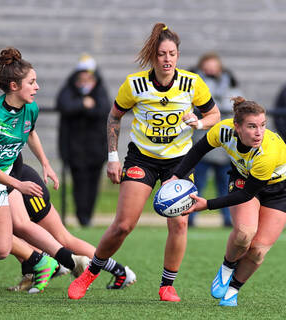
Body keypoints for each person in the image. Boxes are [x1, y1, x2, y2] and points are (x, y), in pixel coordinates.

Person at [67, 22, 220, 302]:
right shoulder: (135, 83)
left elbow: (215, 116)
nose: (167, 59)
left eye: (172, 53)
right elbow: (114, 117)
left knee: (180, 223)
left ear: (178, 55)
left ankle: (167, 286)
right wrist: (113, 157)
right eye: (162, 54)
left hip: (180, 162)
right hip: (142, 158)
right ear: (153, 56)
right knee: (123, 225)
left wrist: (198, 122)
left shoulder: (192, 82)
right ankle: (90, 273)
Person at [171, 96, 286, 307]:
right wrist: (176, 176)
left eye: (262, 125)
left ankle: (233, 289)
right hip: (243, 180)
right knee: (244, 233)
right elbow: (198, 150)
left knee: (258, 250)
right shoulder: (223, 130)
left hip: (279, 190)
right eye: (252, 126)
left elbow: (245, 196)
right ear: (237, 127)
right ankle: (227, 266)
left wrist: (207, 205)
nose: (259, 132)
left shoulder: (267, 153)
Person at [0, 47, 59, 274]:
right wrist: (18, 185)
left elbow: (30, 132)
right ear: (14, 86)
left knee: (0, 248)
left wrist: (46, 163)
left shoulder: (30, 108)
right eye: (32, 82)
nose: (37, 87)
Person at [6, 154, 136, 292]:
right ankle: (43, 265)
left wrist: (45, 163)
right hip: (16, 181)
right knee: (11, 231)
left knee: (62, 238)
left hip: (25, 185)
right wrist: (45, 163)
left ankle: (119, 271)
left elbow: (30, 133)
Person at [189, 52, 242, 227]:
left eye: (214, 66)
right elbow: (199, 104)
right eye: (207, 66)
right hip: (202, 144)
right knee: (196, 186)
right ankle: (189, 217)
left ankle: (228, 220)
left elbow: (233, 106)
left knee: (226, 188)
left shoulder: (231, 85)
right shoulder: (193, 85)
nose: (211, 69)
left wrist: (214, 102)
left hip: (225, 148)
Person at [56, 54, 111, 226]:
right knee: (79, 185)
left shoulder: (100, 90)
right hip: (74, 149)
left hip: (96, 149)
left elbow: (103, 109)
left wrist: (87, 107)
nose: (85, 79)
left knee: (93, 185)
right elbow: (63, 105)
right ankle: (82, 217)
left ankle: (88, 216)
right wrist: (83, 104)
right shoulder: (69, 88)